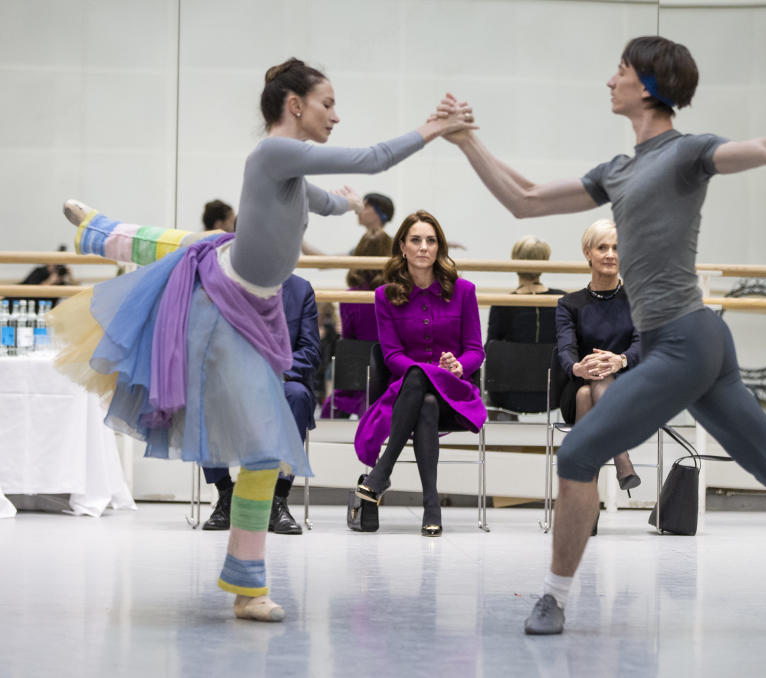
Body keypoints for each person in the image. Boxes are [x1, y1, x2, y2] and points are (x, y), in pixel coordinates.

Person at [436, 35, 766, 635]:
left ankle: (553, 599)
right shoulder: (617, 171)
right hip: (695, 343)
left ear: (647, 84)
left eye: (619, 71)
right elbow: (526, 201)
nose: (608, 81)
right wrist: (466, 142)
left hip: (684, 342)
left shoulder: (688, 153)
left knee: (579, 451)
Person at [47, 57, 475, 622]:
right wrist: (433, 129)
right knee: (260, 438)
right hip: (224, 304)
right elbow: (372, 158)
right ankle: (98, 231)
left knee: (197, 251)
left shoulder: (290, 174)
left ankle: (247, 585)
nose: (336, 116)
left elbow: (323, 201)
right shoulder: (274, 153)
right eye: (328, 104)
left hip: (257, 307)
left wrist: (347, 204)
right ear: (294, 106)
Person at [353, 210, 486, 536]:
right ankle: (431, 505)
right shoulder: (385, 295)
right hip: (405, 395)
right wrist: (428, 371)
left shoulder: (464, 291)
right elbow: (391, 356)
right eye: (416, 240)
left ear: (439, 247)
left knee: (422, 385)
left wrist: (459, 366)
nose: (424, 247)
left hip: (454, 395)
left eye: (431, 240)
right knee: (421, 394)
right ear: (402, 247)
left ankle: (382, 473)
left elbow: (476, 351)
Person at [201, 272, 321, 535]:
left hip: (282, 379)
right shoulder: (223, 285)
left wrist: (275, 371)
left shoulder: (301, 290)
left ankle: (278, 500)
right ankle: (226, 496)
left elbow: (310, 350)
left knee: (297, 396)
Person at [555, 219, 642, 493]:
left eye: (617, 248)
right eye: (602, 247)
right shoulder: (569, 304)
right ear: (587, 253)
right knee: (586, 389)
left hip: (630, 391)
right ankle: (622, 458)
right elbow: (565, 349)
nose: (610, 254)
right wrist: (578, 368)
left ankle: (584, 503)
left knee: (589, 395)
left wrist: (621, 360)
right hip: (579, 383)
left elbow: (646, 344)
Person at [485, 235, 565, 415]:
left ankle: (500, 443)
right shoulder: (562, 300)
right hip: (553, 394)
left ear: (515, 260)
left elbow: (490, 350)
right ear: (545, 261)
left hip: (507, 395)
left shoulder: (502, 303)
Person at [320, 225, 393, 418]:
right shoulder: (397, 295)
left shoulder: (350, 297)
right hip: (391, 376)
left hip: (357, 378)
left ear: (359, 256)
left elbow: (349, 342)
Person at [302, 191, 393, 256]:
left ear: (381, 213)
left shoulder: (396, 245)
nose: (358, 211)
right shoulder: (362, 247)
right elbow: (326, 262)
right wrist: (298, 238)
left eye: (366, 206)